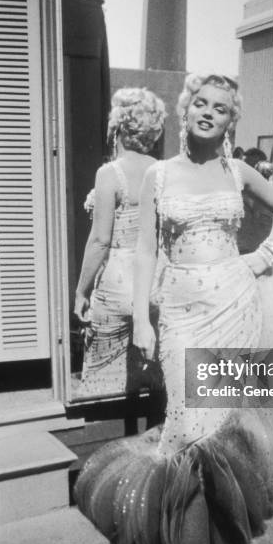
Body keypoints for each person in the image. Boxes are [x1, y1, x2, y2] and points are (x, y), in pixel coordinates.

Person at [75, 73, 273, 544]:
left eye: (222, 108)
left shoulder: (239, 172)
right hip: (182, 310)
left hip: (235, 305)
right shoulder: (158, 176)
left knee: (216, 424)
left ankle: (200, 541)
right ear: (185, 111)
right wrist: (142, 317)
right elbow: (145, 250)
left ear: (232, 120)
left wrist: (264, 256)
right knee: (186, 423)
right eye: (201, 104)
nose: (209, 112)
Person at [73, 87, 166, 398]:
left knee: (105, 384)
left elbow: (100, 241)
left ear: (117, 126)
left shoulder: (109, 174)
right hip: (154, 282)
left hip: (117, 282)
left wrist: (81, 290)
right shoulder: (163, 171)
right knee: (152, 380)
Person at [237, 146, 273, 254]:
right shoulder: (239, 189)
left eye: (250, 167)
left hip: (250, 253)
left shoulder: (263, 194)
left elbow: (263, 227)